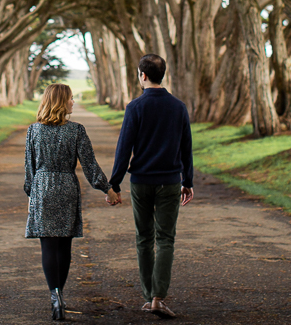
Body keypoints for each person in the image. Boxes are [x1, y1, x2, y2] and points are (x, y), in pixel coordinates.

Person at [107, 54, 194, 320]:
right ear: (162, 74)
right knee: (166, 239)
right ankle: (158, 298)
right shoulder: (178, 107)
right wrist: (188, 181)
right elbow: (186, 148)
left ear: (142, 75)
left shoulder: (135, 107)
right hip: (169, 181)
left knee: (144, 238)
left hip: (141, 182)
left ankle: (148, 297)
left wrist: (114, 184)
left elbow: (124, 148)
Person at [24, 83, 115, 321]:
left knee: (48, 246)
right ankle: (61, 292)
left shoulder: (34, 130)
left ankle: (54, 295)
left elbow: (29, 170)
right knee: (64, 246)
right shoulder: (76, 130)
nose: (73, 102)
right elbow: (90, 165)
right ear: (61, 101)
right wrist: (108, 188)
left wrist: (31, 194)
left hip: (42, 187)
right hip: (66, 187)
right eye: (71, 98)